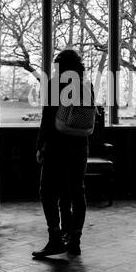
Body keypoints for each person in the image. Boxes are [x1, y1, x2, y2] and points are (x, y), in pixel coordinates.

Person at [32, 49, 94, 258]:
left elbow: (47, 119)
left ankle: (55, 238)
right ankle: (75, 239)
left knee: (48, 191)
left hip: (57, 146)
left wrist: (41, 146)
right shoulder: (87, 85)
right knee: (77, 191)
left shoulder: (55, 84)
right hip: (81, 145)